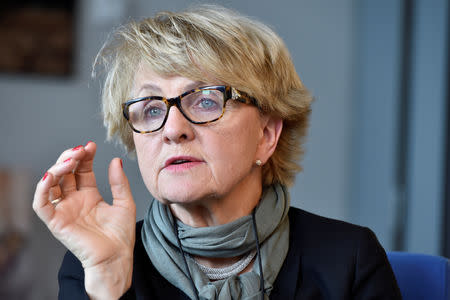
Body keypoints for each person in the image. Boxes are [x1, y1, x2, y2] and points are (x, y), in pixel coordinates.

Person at [32, 5, 402, 300]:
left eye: (206, 101)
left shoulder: (349, 260)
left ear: (267, 135)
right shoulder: (91, 266)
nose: (174, 129)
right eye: (152, 109)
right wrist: (108, 288)